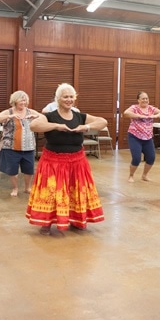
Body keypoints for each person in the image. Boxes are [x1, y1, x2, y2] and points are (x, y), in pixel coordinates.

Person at [26, 83, 107, 235]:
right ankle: (46, 221)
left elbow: (103, 121)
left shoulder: (79, 116)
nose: (69, 99)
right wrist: (56, 126)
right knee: (51, 193)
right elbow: (34, 126)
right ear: (58, 99)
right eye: (65, 97)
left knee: (75, 192)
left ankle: (76, 219)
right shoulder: (49, 116)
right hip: (53, 162)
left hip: (77, 162)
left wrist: (85, 127)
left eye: (71, 97)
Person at [0, 90, 40, 197]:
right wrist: (9, 117)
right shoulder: (8, 112)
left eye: (25, 100)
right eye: (21, 100)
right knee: (12, 169)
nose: (23, 102)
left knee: (29, 169)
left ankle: (27, 188)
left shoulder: (30, 112)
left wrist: (35, 117)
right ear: (14, 101)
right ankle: (15, 188)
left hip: (29, 146)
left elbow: (44, 119)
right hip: (11, 147)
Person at [123, 91, 160, 182]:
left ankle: (144, 175)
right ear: (138, 100)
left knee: (151, 158)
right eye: (143, 99)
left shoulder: (151, 109)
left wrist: (156, 115)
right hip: (134, 136)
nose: (145, 100)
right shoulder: (134, 108)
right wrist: (139, 116)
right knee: (136, 158)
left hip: (148, 137)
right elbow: (126, 113)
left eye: (146, 98)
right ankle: (131, 175)